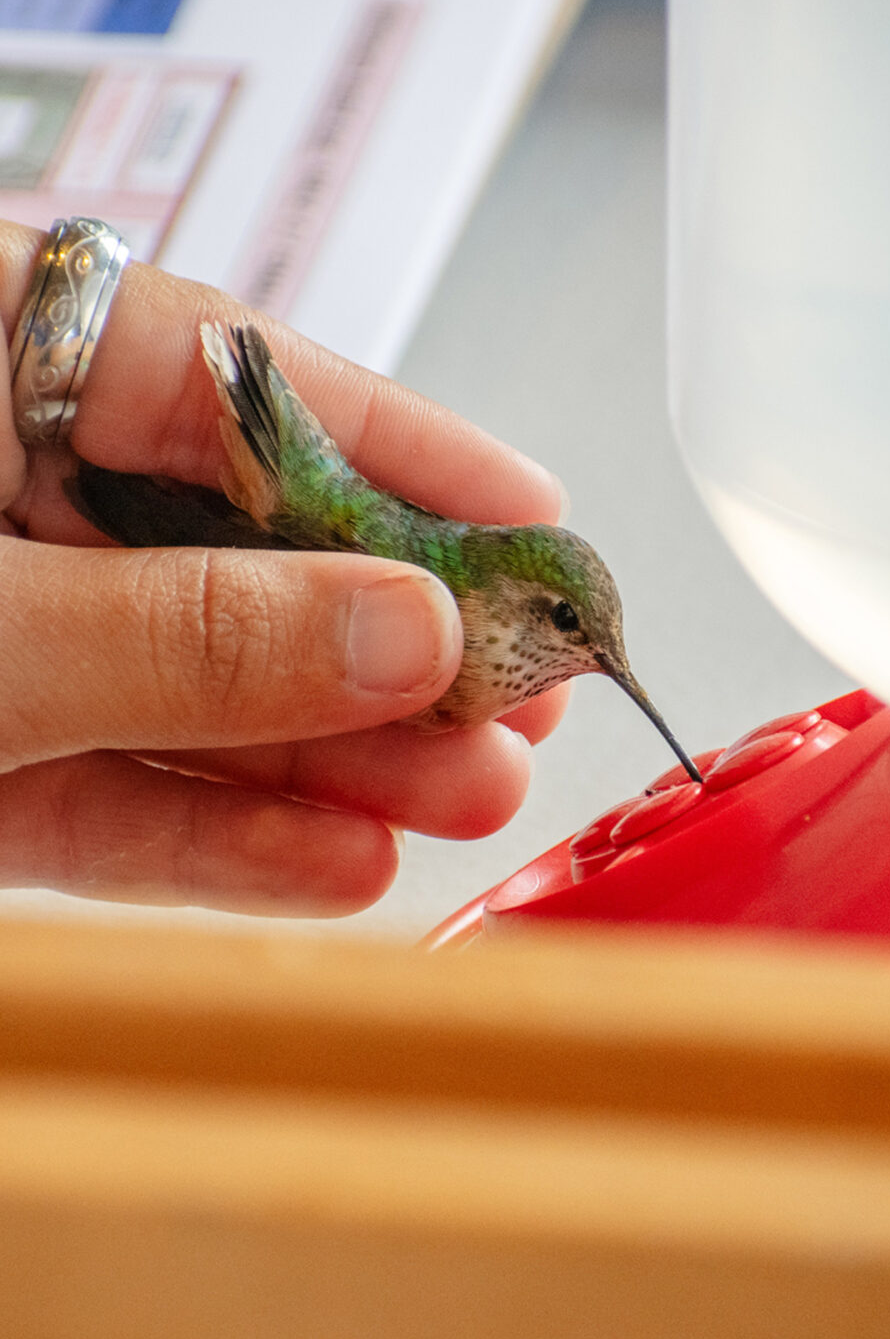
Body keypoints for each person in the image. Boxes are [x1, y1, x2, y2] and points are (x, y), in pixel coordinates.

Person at [0, 218, 569, 917]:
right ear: (521, 600)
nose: (578, 655)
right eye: (570, 626)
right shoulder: (458, 623)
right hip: (296, 513)